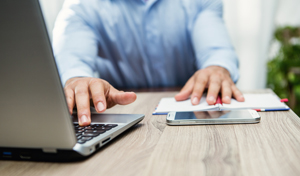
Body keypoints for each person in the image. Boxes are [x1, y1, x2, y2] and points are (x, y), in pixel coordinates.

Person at [53, 0, 245, 126]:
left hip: (191, 119)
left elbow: (216, 51)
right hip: (122, 123)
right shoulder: (81, 7)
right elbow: (72, 64)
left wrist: (217, 68)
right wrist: (77, 82)